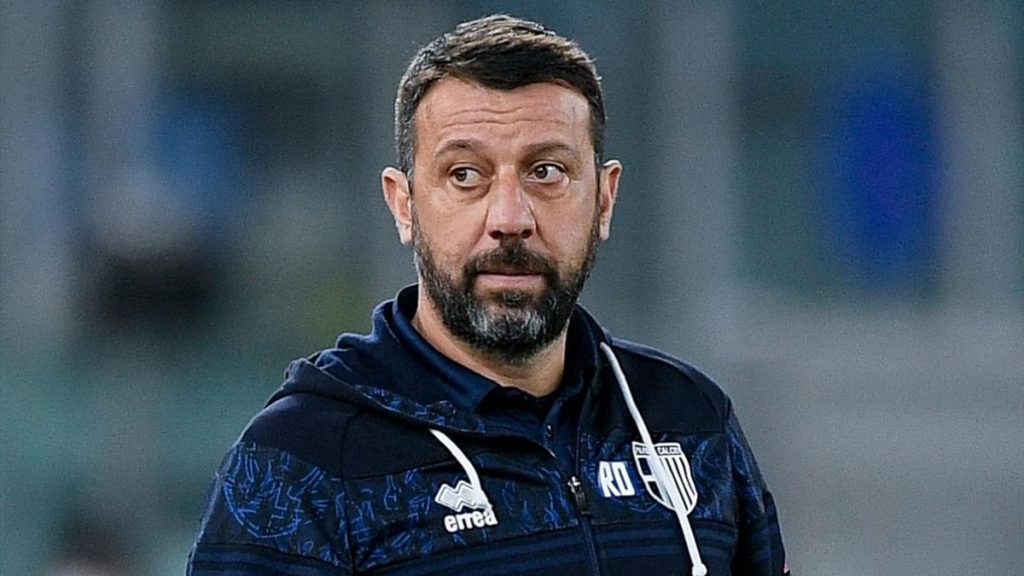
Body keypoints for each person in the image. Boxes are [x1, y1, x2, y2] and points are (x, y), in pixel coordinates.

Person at [187, 14, 789, 576]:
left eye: (546, 171)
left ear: (604, 200)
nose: (510, 219)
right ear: (404, 206)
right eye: (465, 175)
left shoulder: (689, 421)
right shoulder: (303, 462)